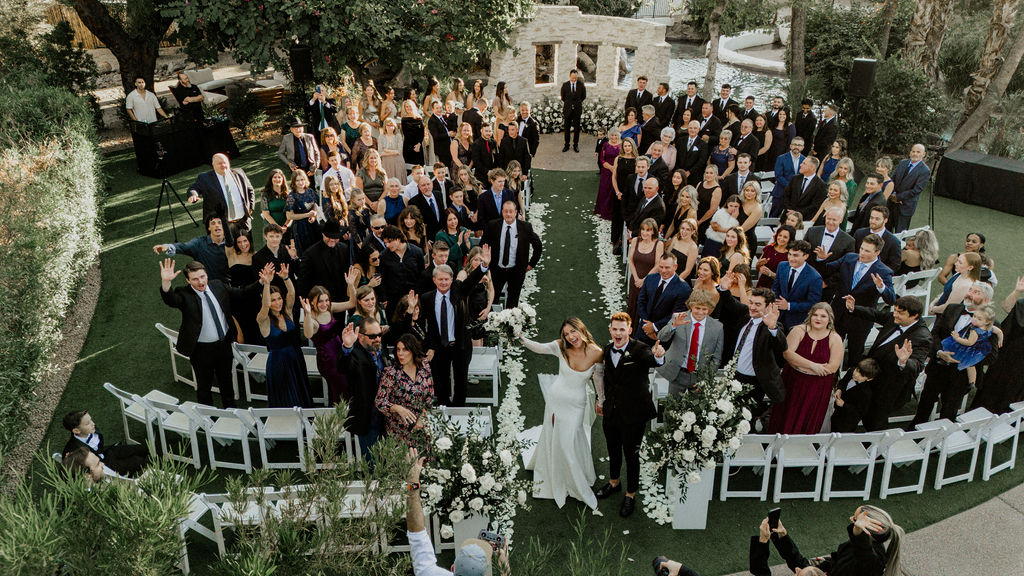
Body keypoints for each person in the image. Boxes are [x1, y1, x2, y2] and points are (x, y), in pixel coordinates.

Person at [520, 318, 605, 509]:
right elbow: (539, 347)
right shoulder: (561, 347)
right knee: (556, 434)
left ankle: (579, 482)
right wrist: (520, 337)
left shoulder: (597, 352)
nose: (570, 337)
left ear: (581, 329)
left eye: (573, 331)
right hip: (556, 399)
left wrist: (601, 400)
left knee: (570, 441)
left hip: (576, 404)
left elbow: (598, 378)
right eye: (566, 334)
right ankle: (565, 479)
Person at [160, 259, 266, 407]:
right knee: (204, 387)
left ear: (206, 274)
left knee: (226, 382)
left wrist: (261, 282)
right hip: (200, 350)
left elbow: (242, 293)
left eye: (202, 277)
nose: (200, 282)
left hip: (224, 345)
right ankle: (208, 416)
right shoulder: (184, 294)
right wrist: (166, 283)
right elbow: (171, 300)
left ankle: (231, 411)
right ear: (188, 280)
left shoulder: (218, 286)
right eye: (195, 279)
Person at [594, 312, 666, 517]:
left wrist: (659, 356)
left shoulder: (640, 349)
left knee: (631, 455)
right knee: (613, 449)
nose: (618, 333)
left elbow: (652, 361)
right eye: (615, 329)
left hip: (634, 415)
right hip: (612, 412)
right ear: (610, 330)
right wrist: (601, 401)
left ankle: (630, 494)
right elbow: (605, 378)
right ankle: (614, 482)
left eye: (622, 329)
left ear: (630, 330)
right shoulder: (607, 350)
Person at [405, 448, 512, 576]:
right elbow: (415, 531)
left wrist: (413, 481)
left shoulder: (427, 572)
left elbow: (416, 530)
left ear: (452, 568)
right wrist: (505, 568)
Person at [913, 281, 996, 425]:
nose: (969, 294)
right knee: (925, 403)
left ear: (986, 300)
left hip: (960, 375)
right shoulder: (952, 308)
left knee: (948, 411)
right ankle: (914, 428)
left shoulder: (990, 325)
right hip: (938, 366)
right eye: (970, 289)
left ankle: (941, 436)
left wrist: (965, 357)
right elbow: (935, 334)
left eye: (976, 292)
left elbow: (991, 357)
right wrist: (939, 352)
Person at [844, 295, 930, 430]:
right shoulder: (894, 318)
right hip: (870, 378)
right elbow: (876, 314)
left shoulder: (923, 337)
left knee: (875, 422)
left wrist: (903, 361)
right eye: (894, 310)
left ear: (914, 316)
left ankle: (877, 443)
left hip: (888, 388)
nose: (895, 314)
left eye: (900, 313)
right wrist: (854, 308)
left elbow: (917, 365)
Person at [750, 506, 907, 576]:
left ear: (866, 532)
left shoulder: (873, 564)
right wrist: (782, 537)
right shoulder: (851, 549)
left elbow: (866, 556)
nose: (851, 520)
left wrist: (763, 542)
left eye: (854, 520)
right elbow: (803, 565)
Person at [420, 252, 488, 407]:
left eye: (446, 279)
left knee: (461, 381)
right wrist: (431, 346)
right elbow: (428, 326)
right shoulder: (426, 298)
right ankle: (444, 408)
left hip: (460, 345)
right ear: (434, 280)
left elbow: (470, 281)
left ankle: (458, 410)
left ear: (452, 279)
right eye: (440, 279)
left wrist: (483, 266)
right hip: (439, 347)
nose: (443, 282)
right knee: (441, 381)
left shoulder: (459, 291)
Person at [769, 303, 843, 434]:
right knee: (786, 415)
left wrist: (801, 365)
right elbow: (787, 353)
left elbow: (833, 367)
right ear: (810, 316)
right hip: (793, 381)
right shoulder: (798, 330)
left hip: (817, 387)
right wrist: (813, 366)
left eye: (823, 316)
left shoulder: (835, 338)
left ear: (829, 319)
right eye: (815, 315)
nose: (818, 319)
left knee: (808, 418)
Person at [827, 234, 897, 366]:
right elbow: (828, 268)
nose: (862, 253)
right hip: (838, 314)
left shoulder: (883, 271)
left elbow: (891, 300)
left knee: (854, 355)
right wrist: (821, 258)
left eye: (867, 251)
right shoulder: (849, 258)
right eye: (861, 249)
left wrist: (881, 287)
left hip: (861, 320)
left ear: (877, 252)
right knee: (830, 350)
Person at [719, 287, 786, 421]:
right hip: (734, 376)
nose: (752, 307)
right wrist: (723, 289)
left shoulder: (771, 326)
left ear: (768, 306)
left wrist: (772, 327)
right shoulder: (745, 316)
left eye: (758, 304)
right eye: (751, 302)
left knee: (746, 419)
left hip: (755, 383)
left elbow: (781, 346)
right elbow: (731, 302)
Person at [256, 263, 312, 408]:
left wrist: (286, 278)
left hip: (295, 357)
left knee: (300, 390)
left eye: (279, 298)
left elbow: (292, 294)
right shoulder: (263, 319)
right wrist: (267, 284)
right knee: (284, 396)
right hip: (278, 362)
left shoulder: (287, 311)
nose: (277, 303)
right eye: (273, 300)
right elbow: (265, 305)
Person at [301, 278, 358, 406]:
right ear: (312, 302)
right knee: (340, 387)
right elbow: (308, 334)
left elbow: (352, 303)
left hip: (340, 352)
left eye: (326, 300)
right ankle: (340, 412)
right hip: (328, 360)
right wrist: (307, 314)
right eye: (320, 301)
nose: (324, 304)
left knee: (347, 383)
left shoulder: (329, 308)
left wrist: (351, 285)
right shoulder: (312, 319)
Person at [656, 290, 724, 396]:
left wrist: (706, 379)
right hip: (677, 373)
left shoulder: (717, 327)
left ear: (709, 309)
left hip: (699, 376)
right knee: (672, 405)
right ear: (691, 306)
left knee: (697, 406)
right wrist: (674, 326)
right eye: (697, 308)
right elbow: (661, 337)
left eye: (704, 309)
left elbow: (716, 357)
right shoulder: (679, 317)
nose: (700, 312)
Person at [973, 277, 1024, 413]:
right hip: (1008, 353)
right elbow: (1007, 307)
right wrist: (1017, 291)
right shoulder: (1022, 304)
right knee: (995, 382)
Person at [375, 334, 434, 451]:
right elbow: (379, 401)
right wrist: (397, 408)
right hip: (398, 430)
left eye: (405, 350)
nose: (400, 353)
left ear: (413, 351)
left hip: (420, 427)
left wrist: (422, 418)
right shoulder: (391, 373)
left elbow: (429, 396)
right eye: (398, 349)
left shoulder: (424, 367)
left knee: (423, 460)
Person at [337, 319, 386, 456]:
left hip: (385, 415)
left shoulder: (380, 350)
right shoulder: (355, 354)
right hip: (367, 417)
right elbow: (343, 367)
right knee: (372, 461)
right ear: (361, 337)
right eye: (372, 336)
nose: (377, 339)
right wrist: (347, 346)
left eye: (379, 335)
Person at [482, 200, 543, 308]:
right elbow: (483, 245)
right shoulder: (492, 225)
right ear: (502, 212)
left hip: (516, 271)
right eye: (506, 211)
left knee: (512, 304)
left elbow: (538, 245)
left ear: (515, 212)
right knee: (491, 301)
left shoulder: (525, 227)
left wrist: (531, 264)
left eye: (511, 211)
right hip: (496, 270)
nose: (508, 214)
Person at [187, 153, 256, 246]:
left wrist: (250, 207)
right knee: (225, 251)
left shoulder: (239, 172)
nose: (223, 165)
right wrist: (193, 195)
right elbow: (194, 188)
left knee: (246, 249)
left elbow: (250, 190)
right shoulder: (205, 178)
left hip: (243, 222)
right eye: (219, 163)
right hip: (221, 226)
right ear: (213, 165)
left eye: (225, 162)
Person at [62, 410, 148, 477]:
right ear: (76, 431)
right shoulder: (75, 449)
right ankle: (127, 473)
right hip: (102, 465)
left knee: (141, 449)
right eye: (87, 423)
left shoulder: (91, 430)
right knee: (138, 461)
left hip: (106, 452)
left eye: (91, 420)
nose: (93, 424)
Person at [153, 214, 230, 282]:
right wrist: (167, 247)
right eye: (213, 223)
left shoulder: (231, 243)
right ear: (209, 228)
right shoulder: (199, 243)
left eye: (220, 223)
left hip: (229, 284)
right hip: (207, 285)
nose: (217, 225)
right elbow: (184, 247)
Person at [635, 254, 691, 345]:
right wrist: (646, 325)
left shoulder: (684, 289)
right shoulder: (650, 278)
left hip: (663, 335)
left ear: (675, 267)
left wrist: (654, 327)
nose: (663, 270)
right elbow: (641, 301)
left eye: (667, 267)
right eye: (661, 267)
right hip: (643, 330)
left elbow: (676, 315)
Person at [939, 303, 1001, 385]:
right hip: (978, 347)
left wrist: (957, 338)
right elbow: (999, 332)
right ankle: (972, 382)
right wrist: (1001, 339)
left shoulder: (975, 331)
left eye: (979, 319)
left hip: (970, 348)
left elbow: (969, 342)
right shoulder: (989, 328)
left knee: (967, 363)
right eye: (974, 316)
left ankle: (971, 382)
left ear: (987, 322)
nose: (975, 319)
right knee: (969, 365)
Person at [806, 207, 855, 302]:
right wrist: (819, 258)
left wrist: (826, 283)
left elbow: (846, 267)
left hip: (827, 288)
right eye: (828, 218)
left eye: (834, 220)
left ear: (841, 220)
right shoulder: (812, 231)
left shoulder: (849, 241)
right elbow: (803, 253)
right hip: (806, 279)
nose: (830, 222)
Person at [771, 240, 822, 329]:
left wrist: (788, 306)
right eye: (789, 254)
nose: (791, 258)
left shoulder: (815, 277)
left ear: (806, 256)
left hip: (797, 322)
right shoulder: (782, 266)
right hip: (777, 317)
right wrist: (775, 302)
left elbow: (813, 304)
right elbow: (775, 288)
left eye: (795, 255)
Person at [378, 225, 425, 315]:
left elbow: (421, 275)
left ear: (398, 239)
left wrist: (419, 295)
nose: (387, 245)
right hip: (393, 300)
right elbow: (382, 280)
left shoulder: (417, 252)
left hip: (413, 297)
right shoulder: (384, 256)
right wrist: (384, 299)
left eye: (389, 242)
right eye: (385, 243)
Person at [627, 218, 663, 322]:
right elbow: (631, 260)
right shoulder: (635, 240)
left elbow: (657, 265)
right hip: (635, 280)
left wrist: (644, 280)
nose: (644, 232)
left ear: (653, 231)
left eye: (648, 230)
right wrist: (636, 278)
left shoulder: (659, 244)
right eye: (643, 229)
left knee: (644, 307)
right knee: (632, 305)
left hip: (649, 282)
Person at [888, 143, 930, 232]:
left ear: (923, 154)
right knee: (886, 230)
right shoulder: (902, 163)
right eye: (913, 151)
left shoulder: (925, 171)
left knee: (900, 234)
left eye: (918, 152)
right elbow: (892, 179)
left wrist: (898, 197)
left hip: (905, 207)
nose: (915, 154)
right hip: (891, 203)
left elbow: (916, 190)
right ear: (910, 152)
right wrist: (892, 194)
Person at [831, 358, 880, 433]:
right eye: (857, 370)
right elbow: (842, 382)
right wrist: (839, 389)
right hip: (836, 413)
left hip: (847, 422)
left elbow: (859, 412)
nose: (856, 375)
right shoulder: (851, 371)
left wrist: (843, 404)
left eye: (861, 375)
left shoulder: (866, 393)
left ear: (869, 379)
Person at [853, 205, 902, 272]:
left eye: (877, 219)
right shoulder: (859, 233)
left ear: (885, 220)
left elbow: (895, 265)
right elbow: (853, 253)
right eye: (871, 218)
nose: (873, 221)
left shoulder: (893, 242)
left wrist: (880, 273)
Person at [611, 137, 639, 251]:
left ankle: (626, 240)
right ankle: (615, 239)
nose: (627, 148)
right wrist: (617, 192)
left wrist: (627, 195)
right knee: (616, 216)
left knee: (627, 217)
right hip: (618, 192)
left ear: (633, 146)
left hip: (630, 193)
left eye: (629, 146)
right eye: (625, 146)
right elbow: (614, 176)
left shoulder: (637, 160)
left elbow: (636, 179)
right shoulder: (618, 159)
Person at [285, 170, 320, 257]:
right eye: (297, 180)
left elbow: (315, 204)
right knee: (306, 254)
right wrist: (307, 215)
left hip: (313, 225)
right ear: (294, 182)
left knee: (318, 251)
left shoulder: (310, 191)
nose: (300, 182)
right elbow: (289, 215)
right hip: (301, 228)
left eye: (302, 179)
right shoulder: (291, 196)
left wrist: (314, 215)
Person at [782, 156, 826, 221]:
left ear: (812, 167)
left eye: (804, 163)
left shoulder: (820, 185)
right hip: (787, 216)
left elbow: (815, 205)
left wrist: (797, 213)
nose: (800, 165)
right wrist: (789, 210)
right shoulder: (795, 178)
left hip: (804, 220)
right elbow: (785, 195)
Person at [772, 136, 806, 217]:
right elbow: (778, 176)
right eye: (794, 144)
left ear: (803, 147)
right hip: (780, 192)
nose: (796, 147)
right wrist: (790, 187)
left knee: (792, 217)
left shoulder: (805, 160)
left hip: (796, 195)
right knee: (774, 216)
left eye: (799, 145)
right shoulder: (781, 158)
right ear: (790, 146)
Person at [755, 224, 794, 289]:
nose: (781, 239)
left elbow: (787, 279)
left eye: (785, 237)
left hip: (777, 288)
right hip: (762, 284)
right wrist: (759, 265)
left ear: (790, 239)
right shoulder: (768, 248)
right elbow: (757, 268)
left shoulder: (790, 255)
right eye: (780, 235)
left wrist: (771, 274)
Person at [702, 194, 741, 259]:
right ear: (727, 204)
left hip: (726, 246)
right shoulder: (720, 213)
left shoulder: (738, 216)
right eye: (731, 205)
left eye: (736, 206)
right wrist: (733, 219)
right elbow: (721, 233)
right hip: (713, 242)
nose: (733, 208)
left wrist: (733, 218)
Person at [594, 128, 621, 221]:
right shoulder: (605, 145)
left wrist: (616, 169)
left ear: (618, 136)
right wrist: (610, 167)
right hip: (606, 171)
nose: (614, 137)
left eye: (615, 135)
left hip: (618, 171)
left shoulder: (622, 145)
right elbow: (602, 159)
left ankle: (612, 211)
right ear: (609, 135)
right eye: (612, 135)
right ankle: (602, 210)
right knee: (604, 189)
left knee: (613, 190)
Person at [695, 165, 722, 244]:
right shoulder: (700, 184)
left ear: (715, 174)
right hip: (695, 215)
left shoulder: (717, 189)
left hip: (706, 220)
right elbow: (694, 200)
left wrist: (700, 221)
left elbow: (712, 210)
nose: (708, 175)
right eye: (707, 173)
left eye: (711, 173)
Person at [675, 120, 708, 186]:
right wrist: (679, 171)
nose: (692, 130)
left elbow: (702, 161)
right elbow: (676, 156)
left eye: (695, 128)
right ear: (688, 129)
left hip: (693, 176)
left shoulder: (703, 144)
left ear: (698, 129)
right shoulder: (680, 140)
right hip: (679, 175)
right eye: (690, 128)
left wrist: (690, 172)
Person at [561, 69, 586, 152]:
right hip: (567, 110)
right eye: (572, 78)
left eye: (575, 78)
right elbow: (563, 97)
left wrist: (576, 103)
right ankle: (566, 145)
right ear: (570, 76)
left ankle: (576, 145)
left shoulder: (581, 85)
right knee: (567, 128)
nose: (574, 79)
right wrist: (569, 104)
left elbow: (583, 96)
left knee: (576, 129)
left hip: (577, 110)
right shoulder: (565, 85)